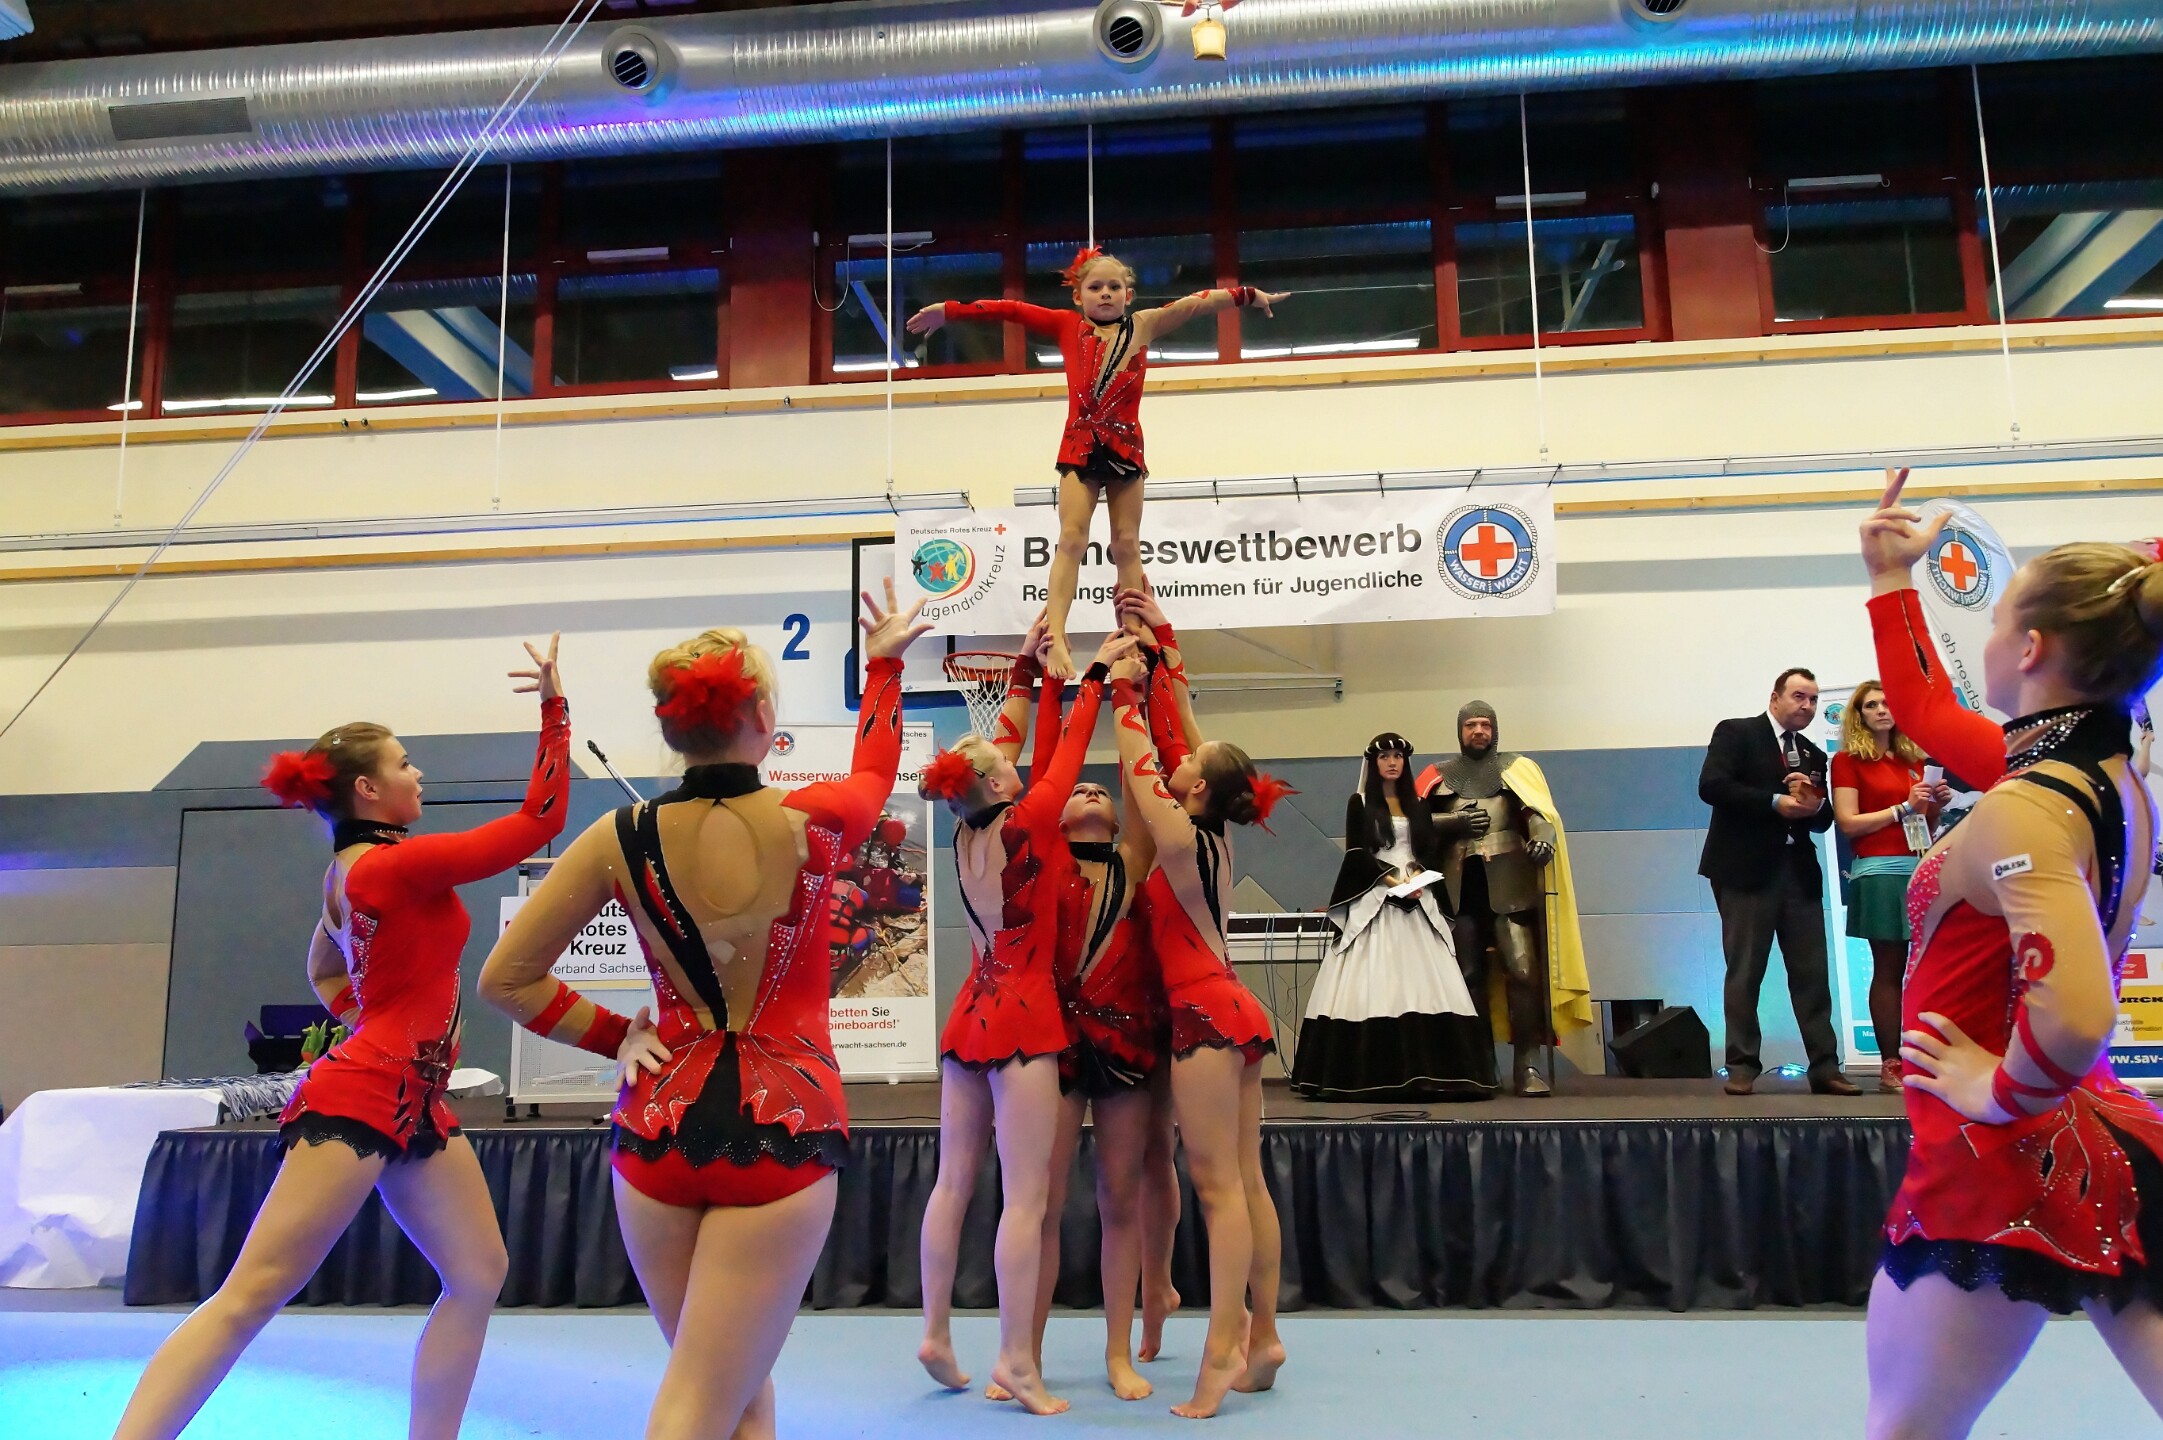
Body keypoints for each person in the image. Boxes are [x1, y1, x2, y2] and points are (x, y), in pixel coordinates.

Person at [479, 586, 927, 1440]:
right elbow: (876, 772)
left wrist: (618, 1036)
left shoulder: (617, 836)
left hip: (657, 1128)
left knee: (733, 1393)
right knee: (699, 1403)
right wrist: (882, 668)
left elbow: (507, 981)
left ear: (669, 726)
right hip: (782, 1124)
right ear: (762, 717)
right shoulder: (818, 819)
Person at [113, 638, 570, 1440]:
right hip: (362, 1095)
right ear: (368, 788)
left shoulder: (349, 872)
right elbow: (542, 820)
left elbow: (322, 966)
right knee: (252, 1293)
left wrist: (378, 1018)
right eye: (405, 763)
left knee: (478, 1271)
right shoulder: (390, 869)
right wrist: (553, 709)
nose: (419, 774)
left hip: (411, 1096)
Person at [1855, 469, 2163, 1438]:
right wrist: (1889, 581)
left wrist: (1995, 1089)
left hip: (2000, 1159)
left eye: (1992, 623)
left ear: (2029, 649)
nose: (1984, 642)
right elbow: (1924, 709)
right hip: (2082, 1127)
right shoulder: (2102, 777)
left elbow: (2075, 1013)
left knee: (1904, 1430)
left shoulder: (2028, 804)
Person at [914, 628, 1134, 1416]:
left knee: (952, 1183)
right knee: (1026, 1198)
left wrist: (1026, 675)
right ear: (999, 782)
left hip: (967, 1016)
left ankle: (935, 1331)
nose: (1019, 764)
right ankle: (1017, 1358)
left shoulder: (963, 828)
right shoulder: (1032, 819)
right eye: (1008, 766)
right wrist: (1092, 675)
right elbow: (1067, 750)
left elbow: (1002, 752)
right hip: (1023, 1018)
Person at [905, 250, 1287, 679]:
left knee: (1126, 543)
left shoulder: (1143, 325)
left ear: (1129, 295)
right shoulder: (1067, 326)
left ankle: (1133, 636)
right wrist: (949, 311)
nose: (1105, 293)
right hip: (1080, 445)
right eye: (1095, 287)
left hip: (1125, 446)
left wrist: (1247, 294)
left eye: (1114, 287)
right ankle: (1056, 635)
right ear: (1078, 296)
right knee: (1071, 538)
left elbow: (1196, 303)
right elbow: (1010, 310)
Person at [1107, 641, 1293, 1419]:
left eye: (1189, 764)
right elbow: (1189, 748)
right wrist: (1168, 663)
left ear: (1198, 788)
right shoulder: (1212, 834)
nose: (1179, 759)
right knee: (1244, 1180)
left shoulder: (1180, 838)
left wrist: (1123, 690)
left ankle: (1222, 1348)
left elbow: (1139, 762)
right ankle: (1265, 1335)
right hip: (1230, 1006)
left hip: (1203, 1015)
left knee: (1218, 1190)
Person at [1291, 733, 1497, 1101]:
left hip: (1418, 898)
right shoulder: (1360, 803)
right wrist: (1392, 881)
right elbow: (1357, 853)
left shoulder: (1418, 804)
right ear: (1373, 763)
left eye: (1398, 756)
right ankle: (1367, 1073)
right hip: (1376, 897)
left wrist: (1417, 878)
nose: (1392, 762)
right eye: (1385, 756)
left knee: (1428, 980)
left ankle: (1435, 1073)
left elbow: (1427, 851)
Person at [1697, 669, 1861, 1096]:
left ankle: (1825, 1067)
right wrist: (1774, 802)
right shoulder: (1737, 733)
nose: (1807, 706)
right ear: (1775, 699)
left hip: (1798, 873)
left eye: (1813, 700)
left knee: (1812, 974)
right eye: (1799, 696)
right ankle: (1741, 1065)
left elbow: (1823, 821)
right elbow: (1712, 786)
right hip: (1744, 870)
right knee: (1745, 971)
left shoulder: (1812, 753)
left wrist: (1813, 802)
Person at [1423, 703, 1595, 1098]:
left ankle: (1527, 1066)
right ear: (1460, 731)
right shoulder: (1438, 777)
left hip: (1511, 885)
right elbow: (1413, 826)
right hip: (1458, 889)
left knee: (1523, 972)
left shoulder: (1517, 770)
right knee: (1466, 977)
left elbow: (1538, 814)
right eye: (1471, 725)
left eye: (1485, 725)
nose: (1478, 731)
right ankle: (1479, 1065)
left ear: (1495, 729)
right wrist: (1454, 822)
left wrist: (1543, 838)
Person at [1831, 679, 1950, 1093]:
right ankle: (1890, 1063)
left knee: (1928, 968)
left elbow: (1925, 824)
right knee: (1889, 967)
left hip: (1920, 868)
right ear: (1859, 715)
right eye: (1871, 705)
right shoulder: (1847, 761)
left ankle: (1926, 1057)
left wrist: (1935, 805)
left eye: (1887, 702)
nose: (1882, 710)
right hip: (1879, 872)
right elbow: (1848, 822)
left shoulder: (1913, 760)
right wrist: (1903, 807)